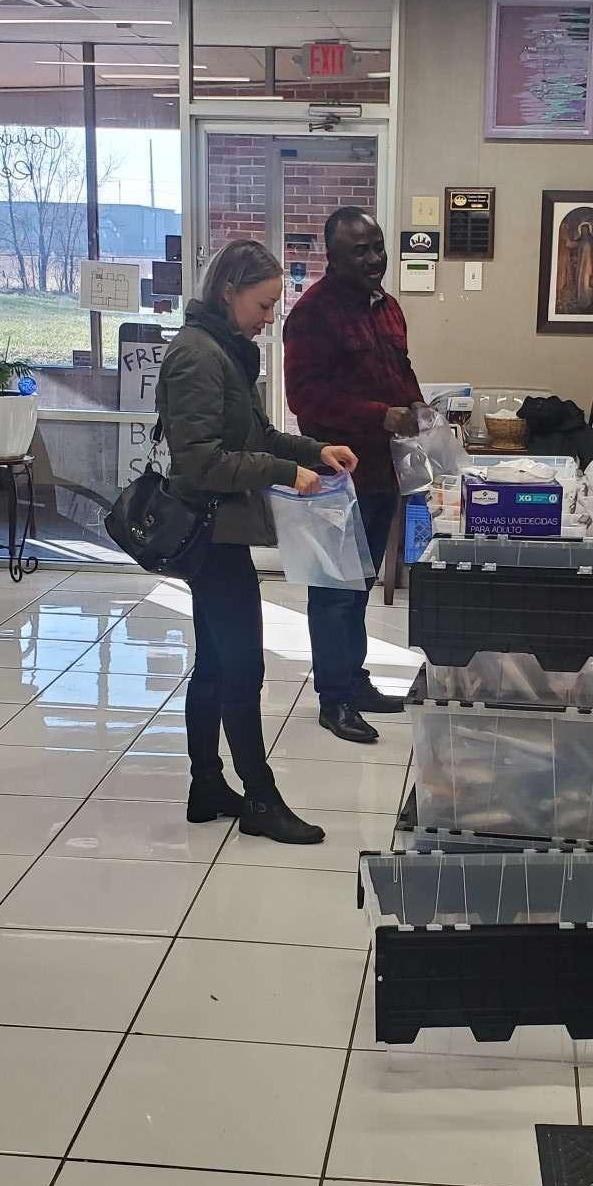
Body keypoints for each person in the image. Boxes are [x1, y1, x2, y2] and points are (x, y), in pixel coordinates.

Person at [156, 238, 358, 844]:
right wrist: (282, 471)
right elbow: (199, 461)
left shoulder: (223, 349)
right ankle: (260, 799)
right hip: (210, 535)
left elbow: (260, 435)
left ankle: (206, 786)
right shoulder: (196, 356)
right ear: (229, 291)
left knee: (217, 664)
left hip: (224, 530)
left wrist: (315, 451)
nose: (269, 318)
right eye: (264, 304)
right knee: (243, 667)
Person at [284, 206, 425, 745]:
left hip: (383, 472)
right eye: (359, 251)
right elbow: (305, 399)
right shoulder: (312, 314)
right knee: (334, 590)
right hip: (336, 475)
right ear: (333, 256)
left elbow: (400, 369)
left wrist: (418, 405)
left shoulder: (387, 306)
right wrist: (378, 415)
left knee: (360, 584)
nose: (374, 259)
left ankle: (355, 681)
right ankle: (334, 698)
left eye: (377, 246)